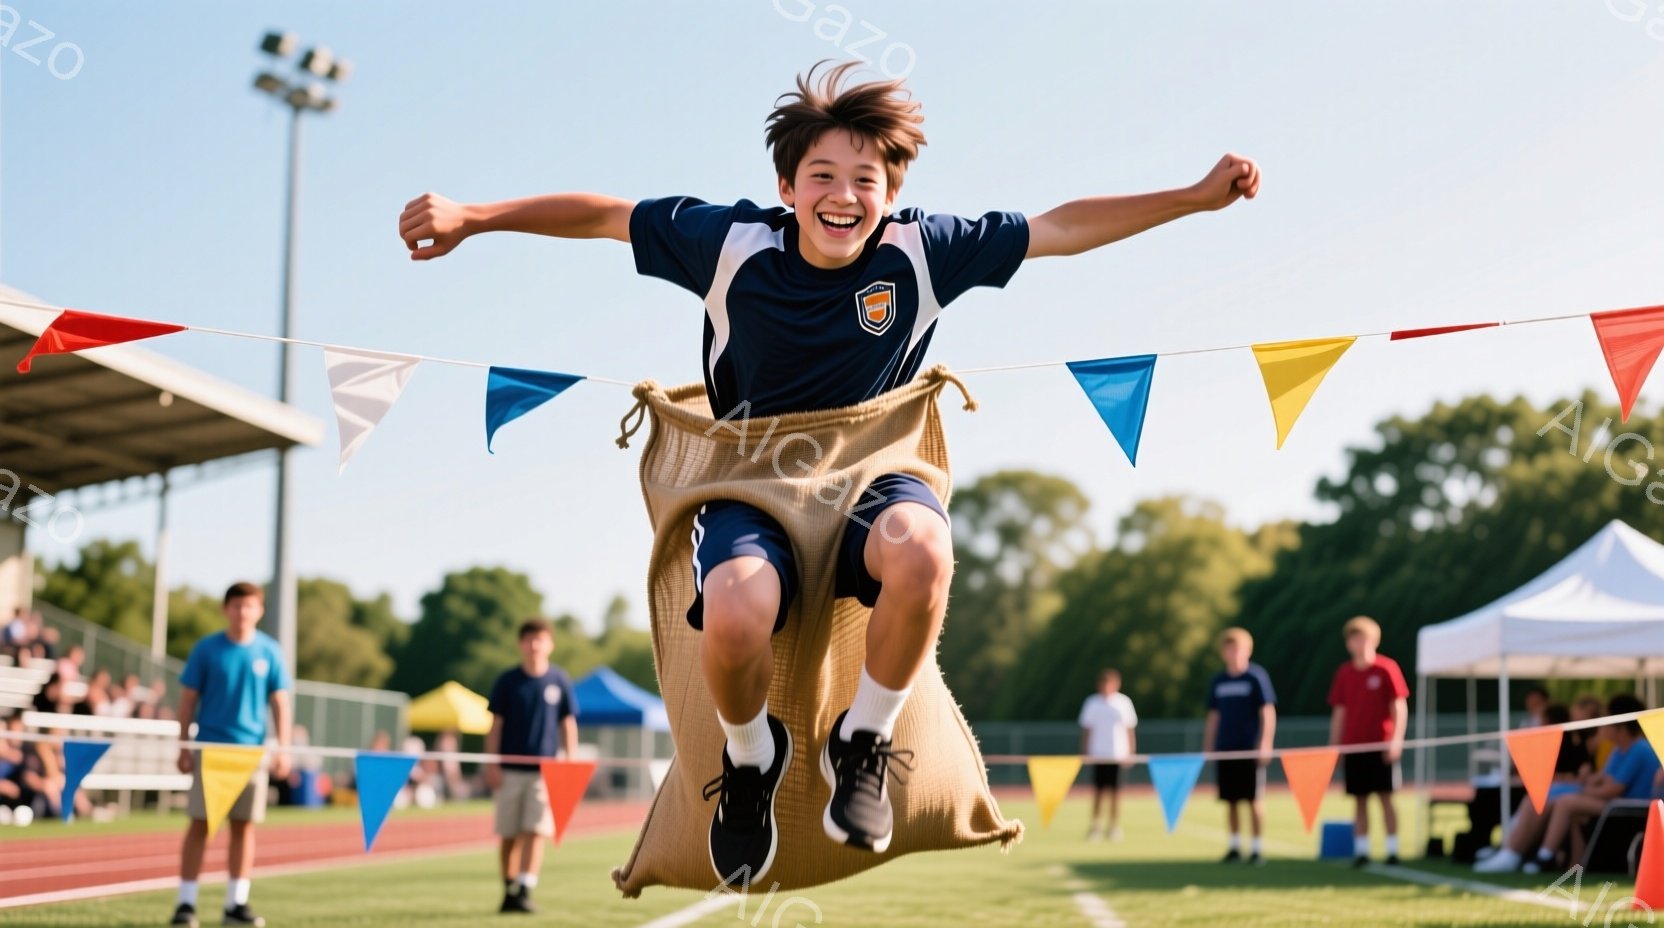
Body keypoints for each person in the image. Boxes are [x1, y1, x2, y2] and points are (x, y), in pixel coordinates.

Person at [399, 60, 1258, 881]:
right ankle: (749, 760)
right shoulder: (728, 242)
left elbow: (1061, 228)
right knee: (734, 610)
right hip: (749, 482)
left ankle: (866, 742)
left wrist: (1190, 198)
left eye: (865, 181)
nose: (843, 196)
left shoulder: (926, 252)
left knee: (924, 549)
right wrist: (475, 215)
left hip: (874, 477)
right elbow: (603, 216)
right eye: (822, 175)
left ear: (892, 195)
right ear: (786, 188)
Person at [171, 583, 292, 928]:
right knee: (199, 824)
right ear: (226, 609)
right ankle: (186, 904)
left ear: (260, 611)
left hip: (251, 754)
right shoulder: (207, 649)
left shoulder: (269, 652)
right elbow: (187, 700)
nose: (243, 612)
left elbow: (280, 703)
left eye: (249, 606)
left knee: (243, 827)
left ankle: (235, 904)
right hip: (210, 750)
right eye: (237, 606)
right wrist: (183, 746)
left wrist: (282, 749)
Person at [1476, 693, 1659, 873]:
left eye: (1608, 719)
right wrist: (1586, 782)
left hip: (1630, 806)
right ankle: (1536, 857)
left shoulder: (1639, 749)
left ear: (1621, 725)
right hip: (1616, 801)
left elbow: (1612, 789)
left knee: (1565, 802)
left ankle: (1544, 856)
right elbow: (1601, 779)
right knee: (1549, 798)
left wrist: (1583, 789)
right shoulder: (1620, 749)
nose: (1603, 724)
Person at [485, 618, 579, 915]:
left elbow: (568, 724)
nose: (534, 645)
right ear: (520, 644)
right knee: (509, 833)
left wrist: (569, 761)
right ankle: (509, 888)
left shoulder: (560, 681)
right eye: (529, 639)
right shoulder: (507, 681)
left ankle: (526, 887)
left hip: (545, 772)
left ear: (550, 644)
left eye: (540, 639)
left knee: (536, 831)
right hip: (510, 770)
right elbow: (495, 725)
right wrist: (493, 763)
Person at [1327, 615, 1409, 867]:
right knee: (1359, 800)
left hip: (1381, 747)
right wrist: (1335, 748)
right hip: (1354, 747)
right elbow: (1339, 713)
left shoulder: (1386, 668)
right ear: (1348, 643)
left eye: (1364, 638)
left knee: (1386, 798)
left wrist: (1395, 741)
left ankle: (1392, 850)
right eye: (1354, 639)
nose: (1359, 644)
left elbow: (1399, 707)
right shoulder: (1344, 673)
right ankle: (1362, 851)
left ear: (1374, 640)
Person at [1202, 628, 1277, 865]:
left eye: (1238, 649)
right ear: (1223, 652)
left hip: (1250, 749)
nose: (1234, 653)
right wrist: (1209, 746)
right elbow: (1213, 716)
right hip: (1226, 748)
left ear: (1248, 650)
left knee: (1253, 799)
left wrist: (1264, 744)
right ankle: (1234, 846)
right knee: (1231, 800)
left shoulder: (1255, 677)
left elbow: (1267, 712)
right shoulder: (1219, 681)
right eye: (1229, 649)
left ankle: (1256, 848)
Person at [1078, 668, 1138, 842]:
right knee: (1098, 792)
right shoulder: (1092, 703)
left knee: (1116, 793)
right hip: (1098, 755)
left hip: (1118, 755)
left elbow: (1129, 729)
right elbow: (1087, 729)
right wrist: (1086, 751)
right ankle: (1095, 826)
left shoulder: (1124, 703)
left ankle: (1114, 826)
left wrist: (1131, 751)